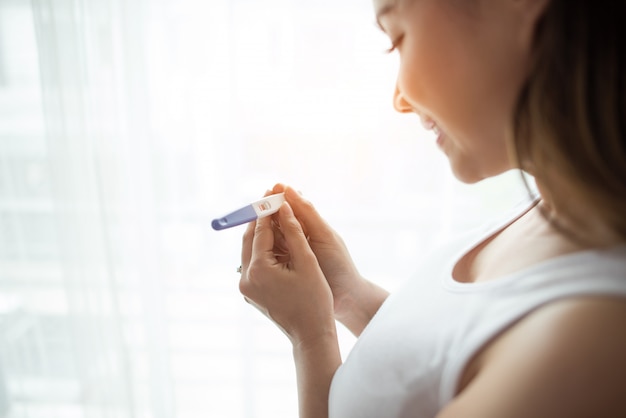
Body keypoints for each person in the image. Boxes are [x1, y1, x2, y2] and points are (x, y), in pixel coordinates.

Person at [237, 0, 626, 416]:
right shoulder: (552, 211)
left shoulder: (591, 340)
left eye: (397, 39)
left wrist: (310, 338)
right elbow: (447, 365)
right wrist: (349, 297)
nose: (399, 100)